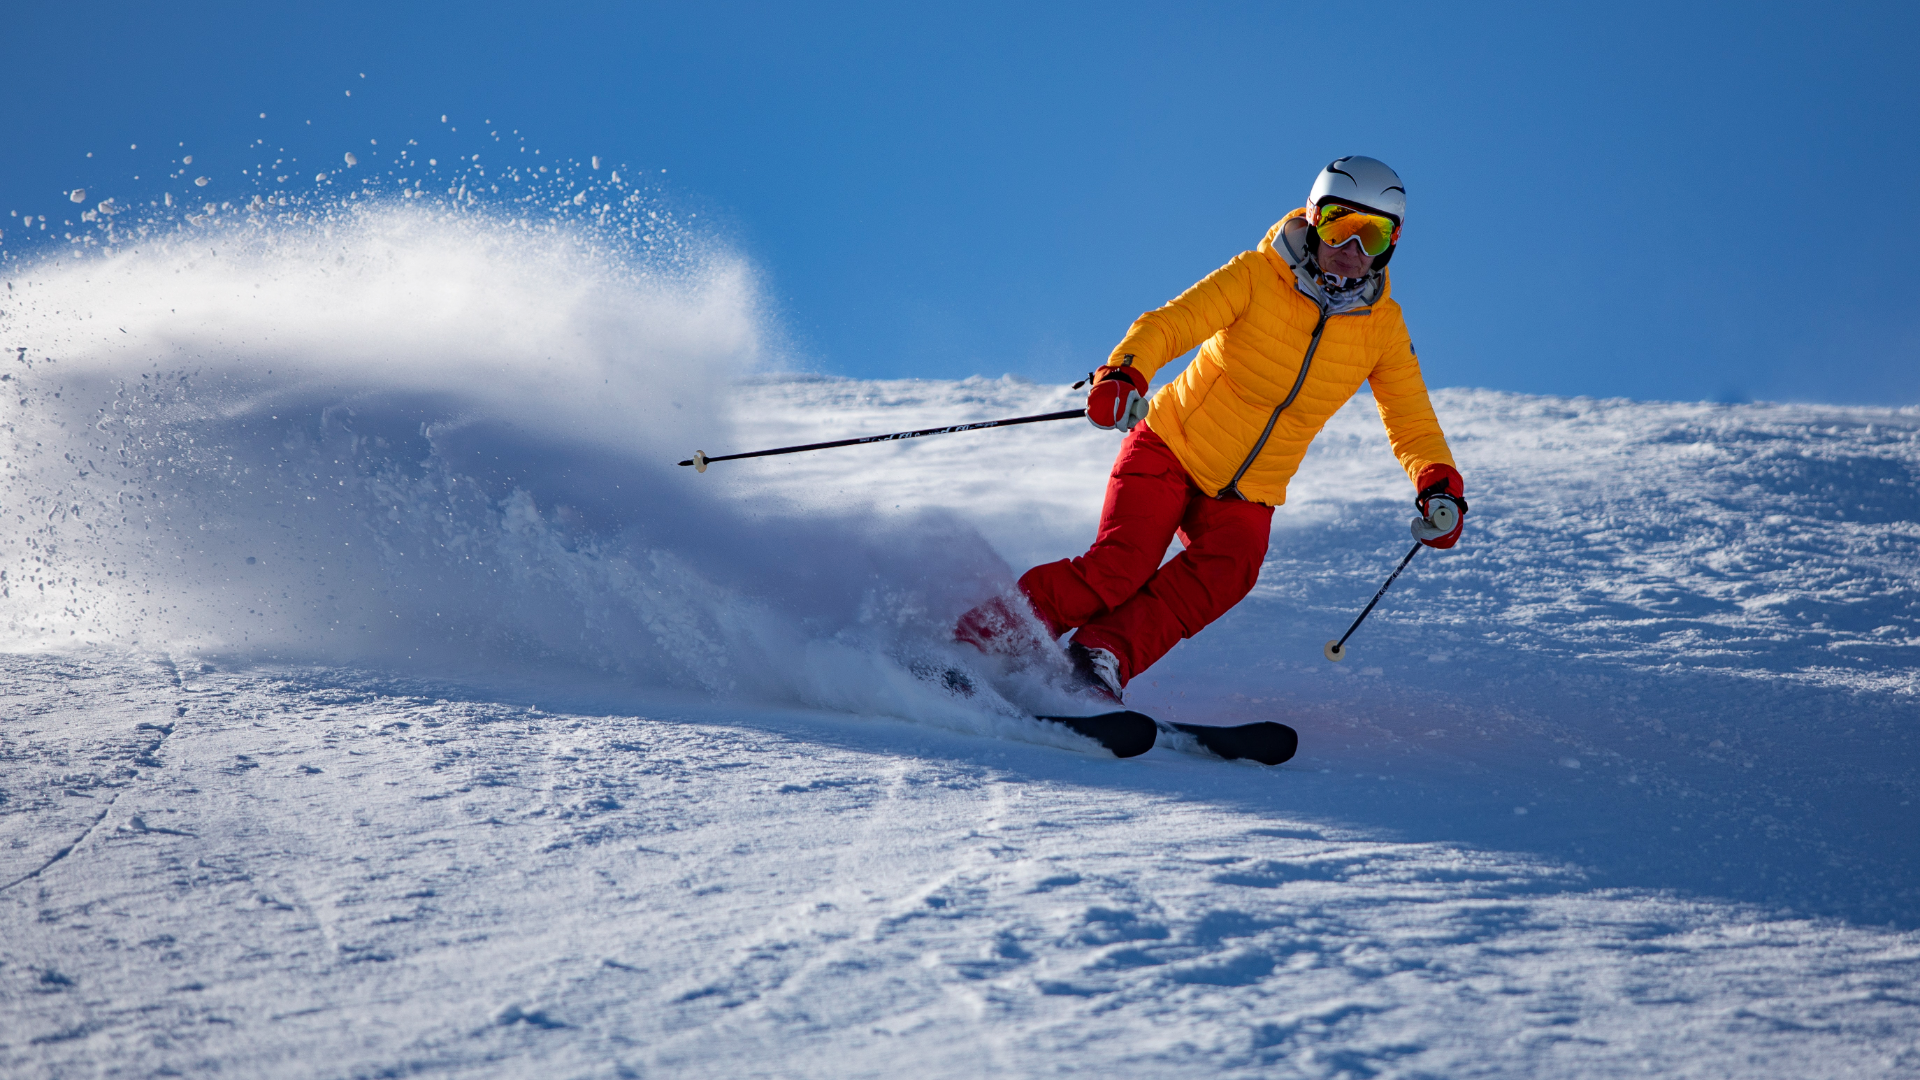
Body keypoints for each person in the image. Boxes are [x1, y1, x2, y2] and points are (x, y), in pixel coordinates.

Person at [955, 156, 1466, 701]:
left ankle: (1100, 656)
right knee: (1120, 565)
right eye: (1342, 225)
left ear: (1393, 242)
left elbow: (1410, 416)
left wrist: (1438, 484)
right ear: (1316, 219)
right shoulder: (1256, 275)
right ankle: (980, 642)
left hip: (1250, 491)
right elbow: (1171, 323)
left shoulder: (1383, 328)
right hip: (1172, 446)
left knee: (1230, 570)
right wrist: (1124, 374)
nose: (1353, 248)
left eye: (1374, 234)